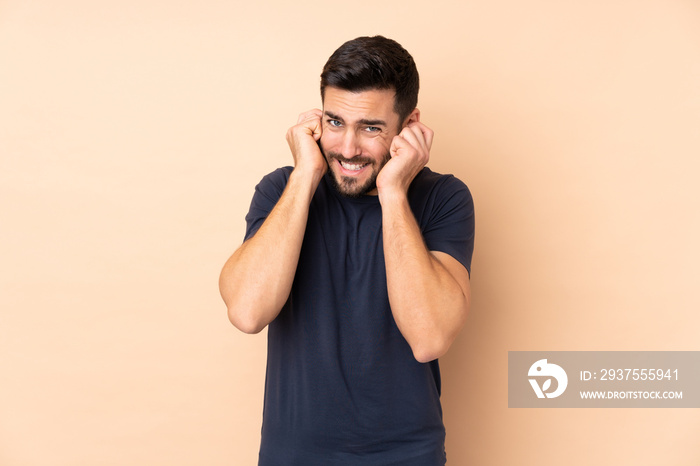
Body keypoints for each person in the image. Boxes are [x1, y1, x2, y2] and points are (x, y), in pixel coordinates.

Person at [219, 35, 475, 465]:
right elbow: (247, 312)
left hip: (407, 457)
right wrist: (305, 174)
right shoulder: (283, 189)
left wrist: (394, 190)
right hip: (293, 456)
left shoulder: (444, 198)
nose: (348, 148)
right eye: (335, 123)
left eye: (371, 128)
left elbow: (429, 338)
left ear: (409, 124)